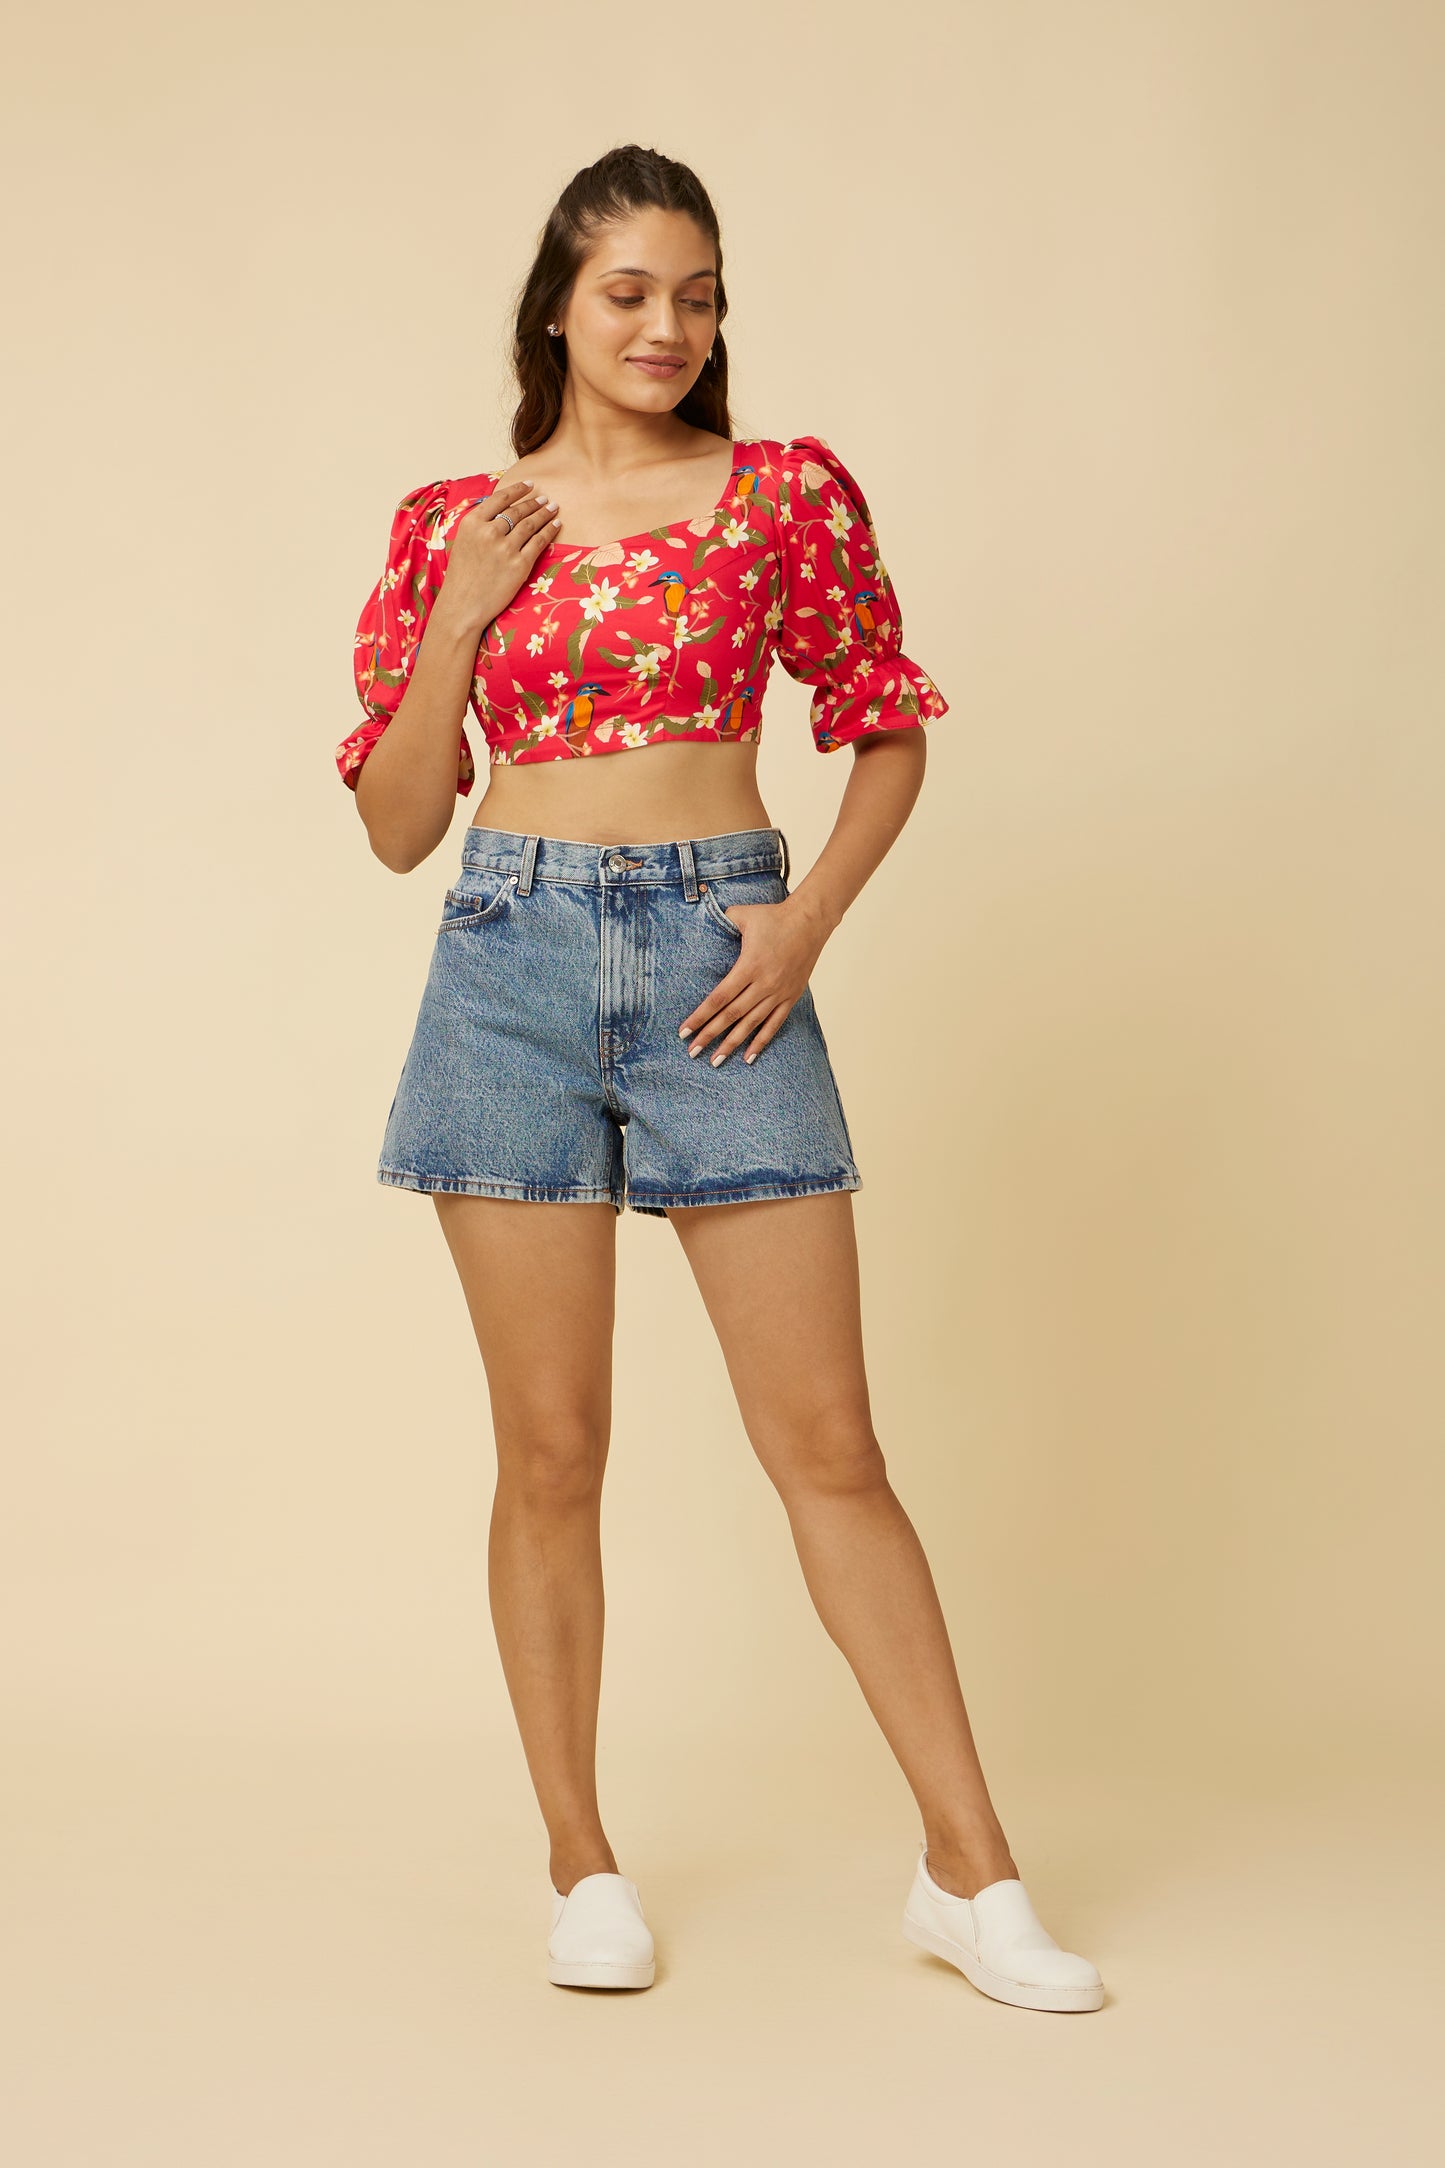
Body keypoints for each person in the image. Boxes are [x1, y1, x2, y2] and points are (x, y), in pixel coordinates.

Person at [335, 144, 1103, 2014]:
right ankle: (580, 1864)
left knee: (828, 1446)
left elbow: (884, 731)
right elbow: (394, 826)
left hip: (718, 964)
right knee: (552, 1450)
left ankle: (972, 1876)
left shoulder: (780, 495)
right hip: (507, 963)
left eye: (697, 295)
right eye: (629, 295)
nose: (668, 327)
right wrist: (454, 623)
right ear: (556, 307)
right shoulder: (460, 517)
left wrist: (799, 926)